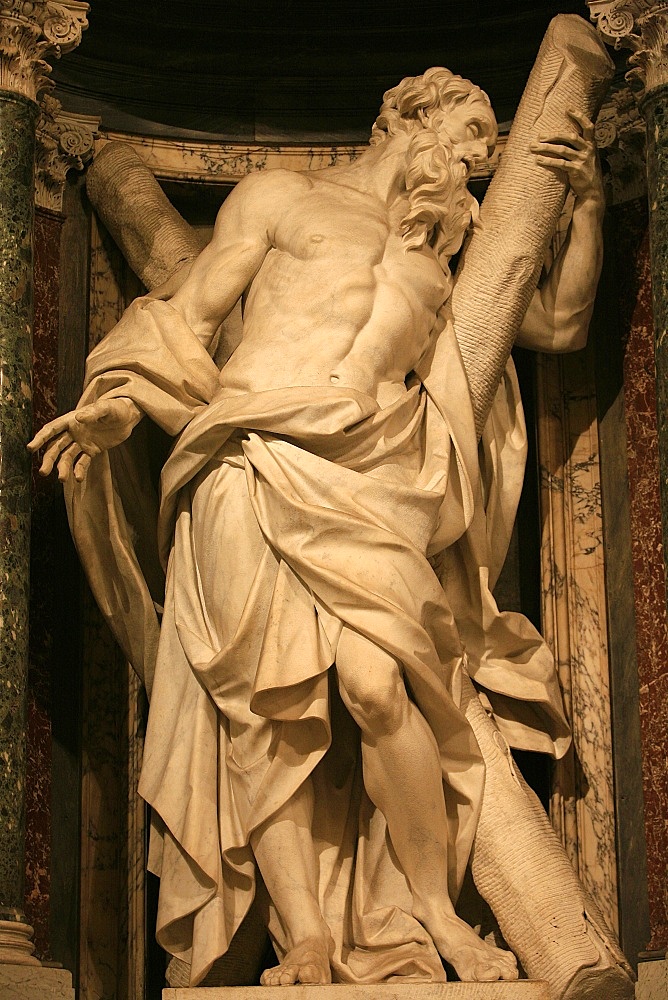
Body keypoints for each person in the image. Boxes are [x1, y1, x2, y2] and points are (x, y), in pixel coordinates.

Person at [29, 68, 604, 987]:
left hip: (375, 482)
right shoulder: (281, 199)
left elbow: (565, 323)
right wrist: (122, 402)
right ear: (409, 118)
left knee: (380, 687)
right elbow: (188, 314)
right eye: (471, 136)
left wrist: (587, 204)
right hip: (248, 460)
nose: (475, 161)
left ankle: (435, 914)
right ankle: (303, 931)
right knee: (262, 710)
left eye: (485, 152)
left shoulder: (445, 261)